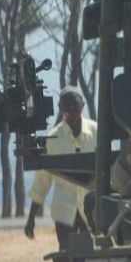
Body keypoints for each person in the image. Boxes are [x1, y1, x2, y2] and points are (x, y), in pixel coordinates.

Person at [24, 88, 96, 247]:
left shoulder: (96, 132)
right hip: (64, 210)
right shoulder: (53, 138)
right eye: (67, 109)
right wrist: (31, 218)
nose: (72, 113)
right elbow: (42, 181)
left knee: (92, 254)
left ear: (82, 107)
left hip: (92, 209)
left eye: (75, 108)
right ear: (62, 110)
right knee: (66, 256)